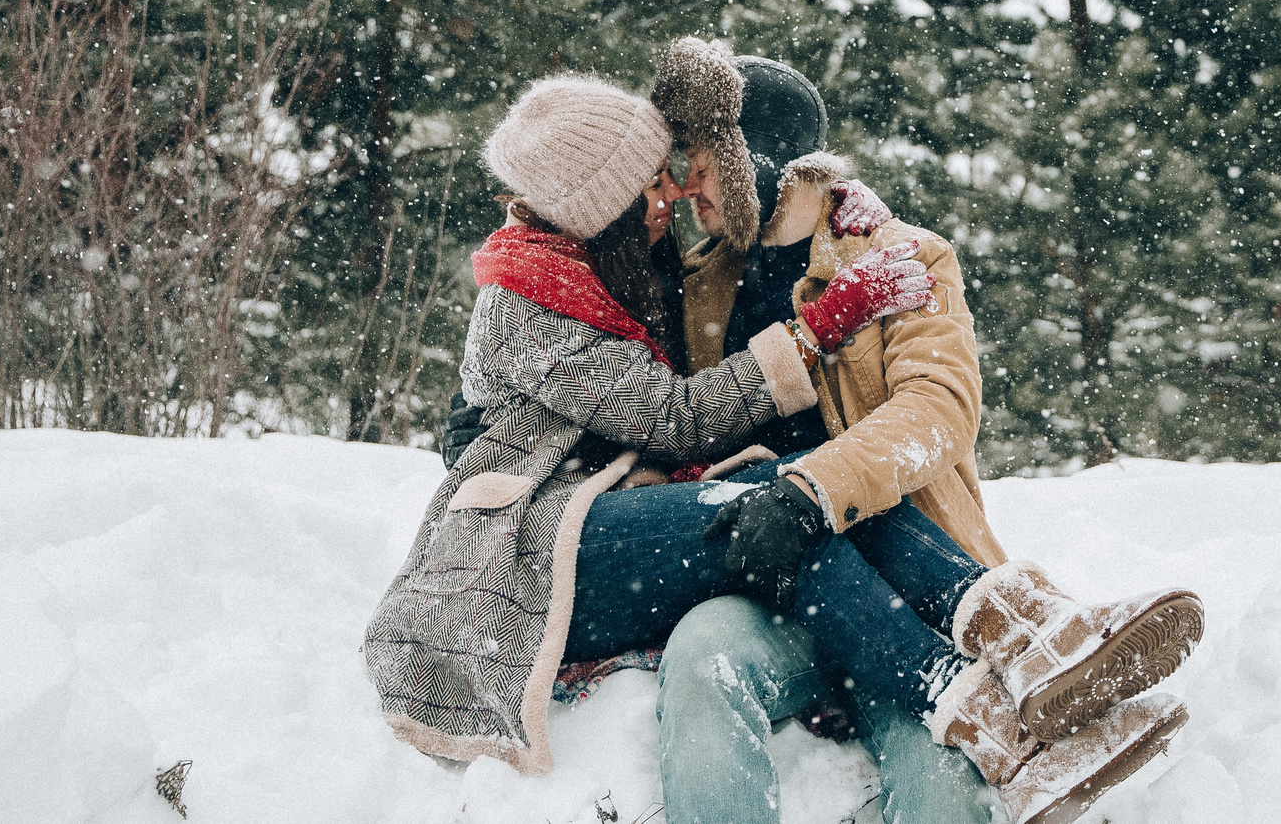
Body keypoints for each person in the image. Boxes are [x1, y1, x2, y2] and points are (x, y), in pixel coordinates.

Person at [419, 44, 1200, 824]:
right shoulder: (690, 274)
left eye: (697, 160)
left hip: (895, 572)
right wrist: (478, 416)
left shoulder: (902, 257)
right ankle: (1014, 665)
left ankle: (1032, 652)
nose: (683, 184)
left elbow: (936, 414)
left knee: (937, 773)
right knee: (705, 659)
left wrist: (811, 492)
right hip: (755, 564)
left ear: (754, 162)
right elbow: (577, 243)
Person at [363, 72, 937, 773]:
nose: (671, 193)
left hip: (597, 519)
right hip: (531, 551)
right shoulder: (535, 299)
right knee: (786, 508)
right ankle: (951, 690)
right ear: (604, 206)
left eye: (674, 172)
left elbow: (757, 246)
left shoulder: (609, 265)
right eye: (652, 182)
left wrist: (837, 209)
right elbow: (673, 415)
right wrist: (813, 331)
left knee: (809, 490)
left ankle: (1009, 620)